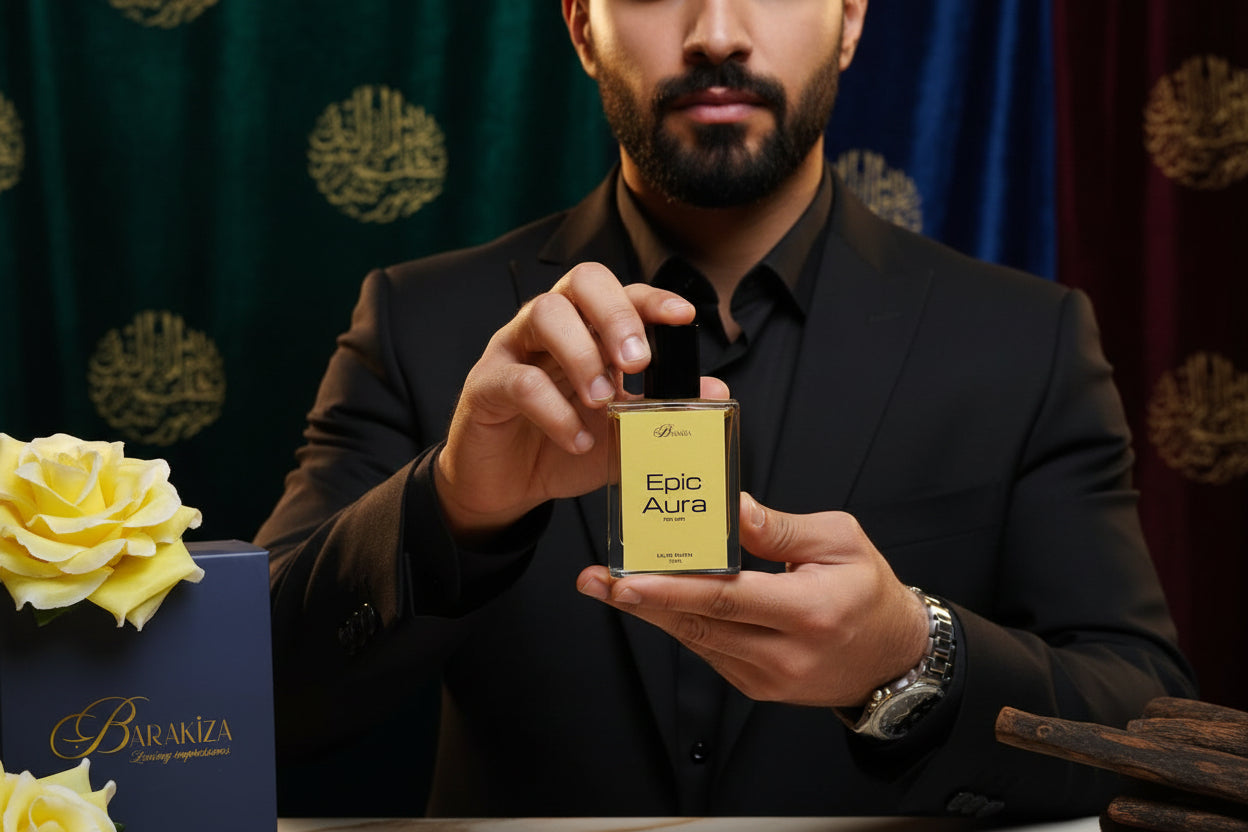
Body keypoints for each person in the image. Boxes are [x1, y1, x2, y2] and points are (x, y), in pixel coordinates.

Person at [258, 0, 1196, 819]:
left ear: (852, 20)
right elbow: (242, 702)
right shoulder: (422, 322)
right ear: (583, 25)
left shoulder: (1025, 340)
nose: (717, 34)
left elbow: (1144, 725)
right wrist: (453, 503)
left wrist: (912, 657)